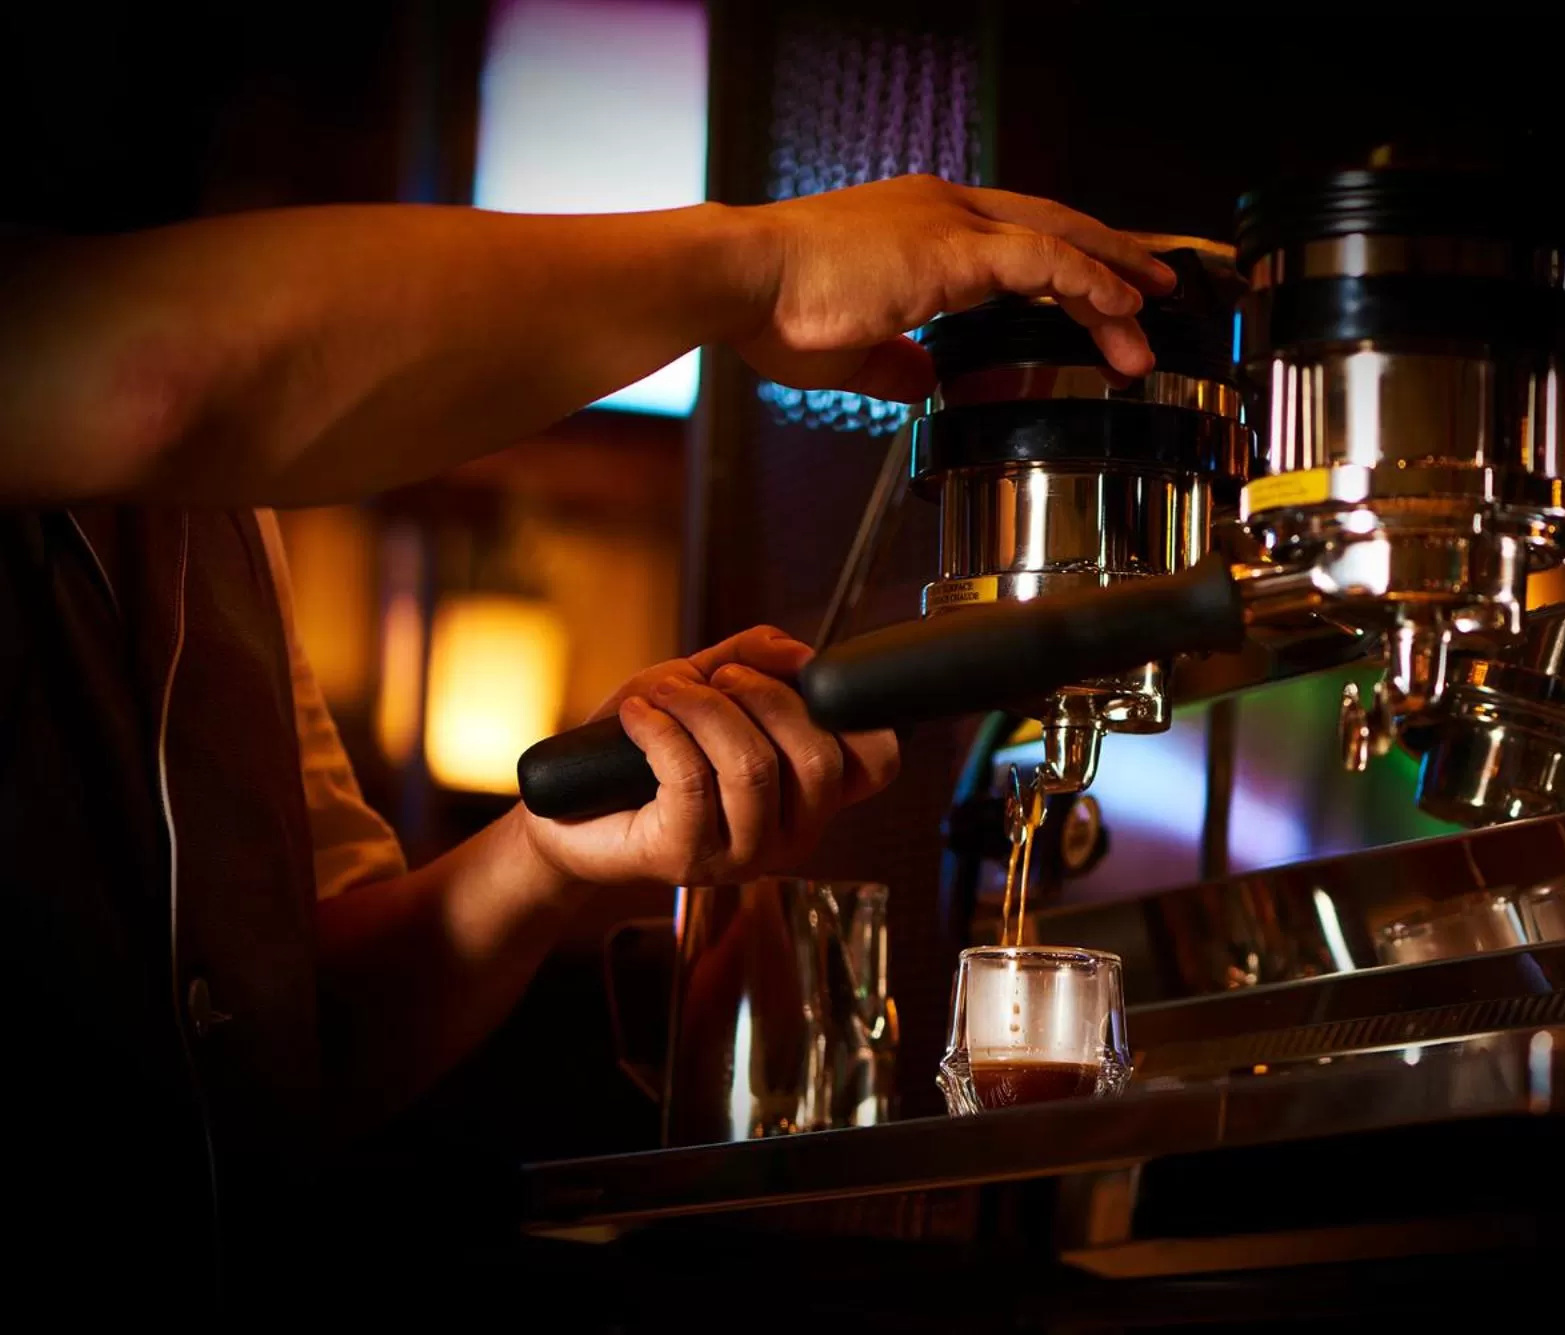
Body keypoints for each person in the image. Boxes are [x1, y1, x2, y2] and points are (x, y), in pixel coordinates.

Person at [0, 174, 1174, 1314]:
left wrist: (544, 855)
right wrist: (761, 263)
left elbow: (295, 1035)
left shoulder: (211, 526)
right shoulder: (111, 377)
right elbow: (153, 377)